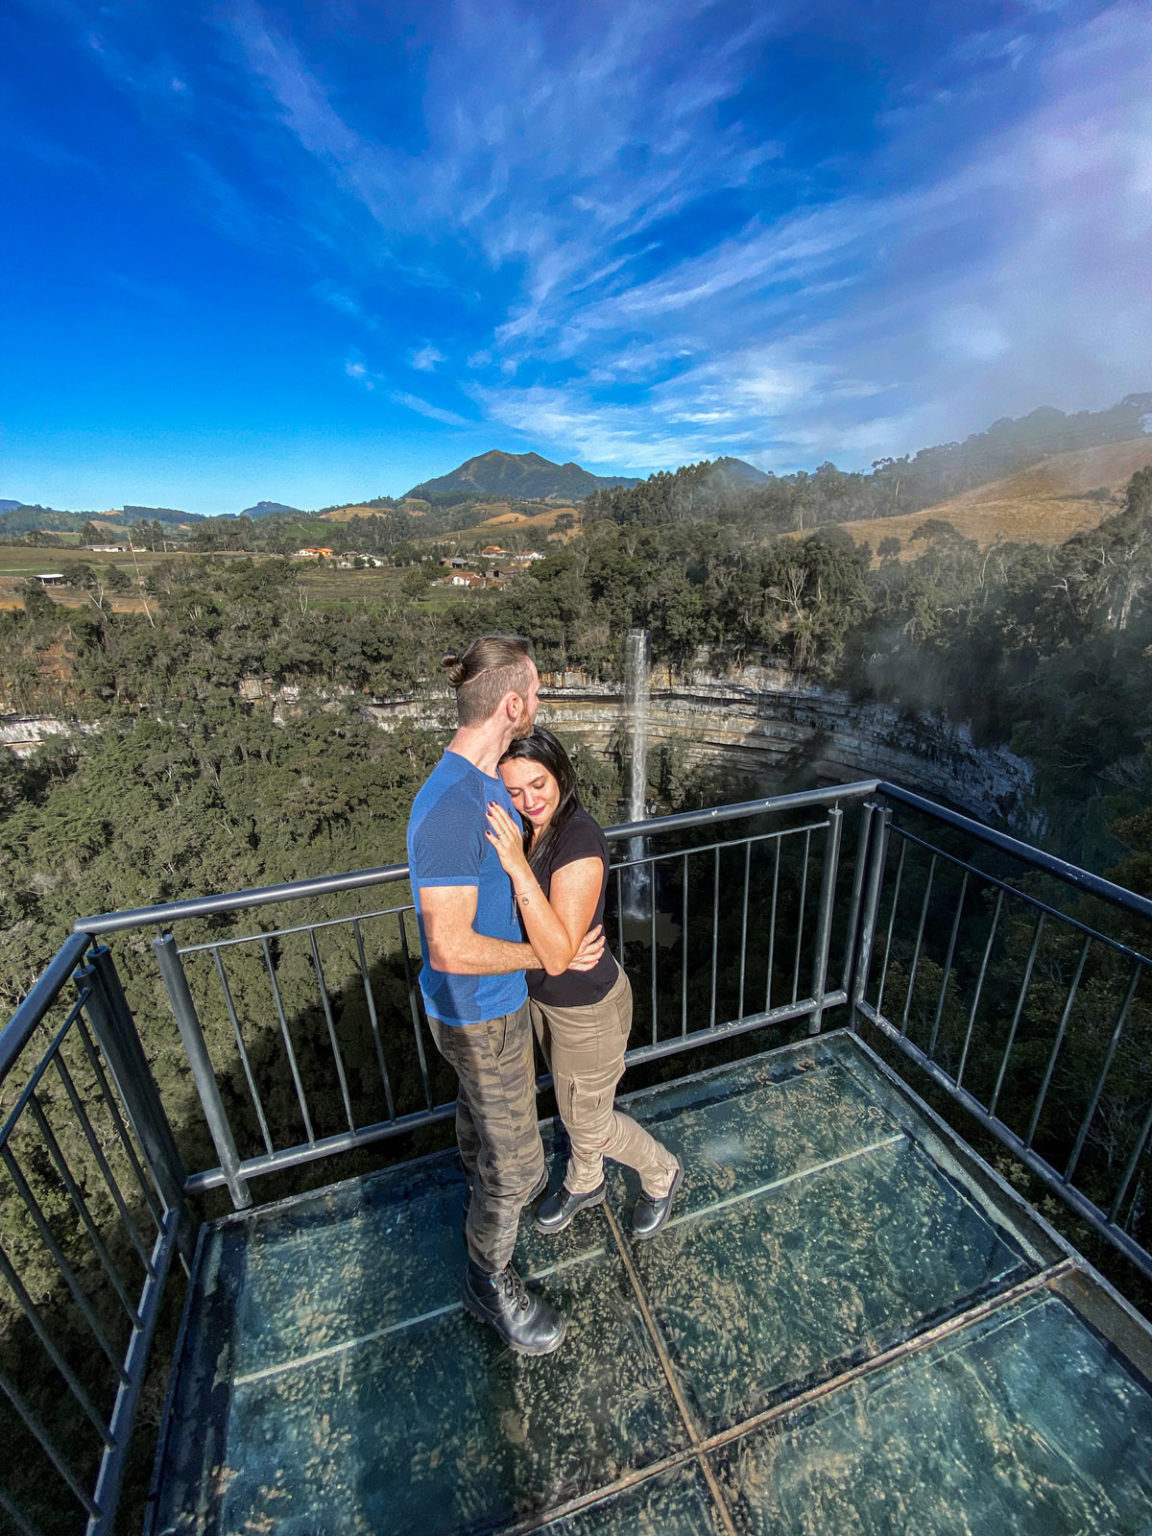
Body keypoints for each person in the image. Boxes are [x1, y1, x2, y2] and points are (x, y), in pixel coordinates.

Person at [407, 634, 604, 1356]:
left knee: (478, 1129)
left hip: (483, 1010)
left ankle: (479, 1204)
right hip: (480, 1011)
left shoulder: (484, 784)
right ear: (513, 703)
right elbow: (449, 945)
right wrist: (543, 955)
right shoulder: (457, 804)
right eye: (538, 693)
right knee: (520, 1169)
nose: (541, 705)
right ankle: (489, 1281)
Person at [486, 726, 682, 1241]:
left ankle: (661, 1172)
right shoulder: (530, 829)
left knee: (588, 1119)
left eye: (538, 784)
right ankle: (586, 1179)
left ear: (562, 776)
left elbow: (559, 951)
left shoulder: (577, 838)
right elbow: (552, 949)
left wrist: (515, 866)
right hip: (548, 1002)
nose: (528, 800)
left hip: (587, 1011)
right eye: (513, 790)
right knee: (577, 1105)